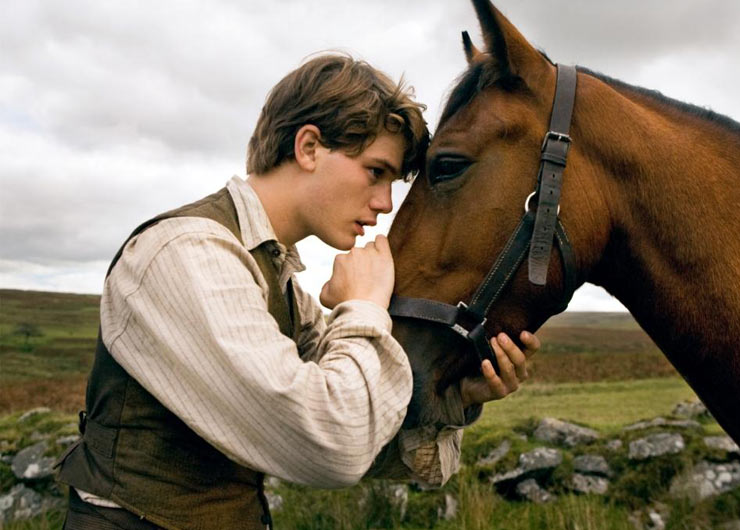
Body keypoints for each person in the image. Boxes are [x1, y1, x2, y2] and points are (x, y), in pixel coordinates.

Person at [56, 54, 540, 530]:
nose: (384, 203)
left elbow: (362, 431)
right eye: (376, 171)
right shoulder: (185, 253)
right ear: (308, 147)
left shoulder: (278, 279)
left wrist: (451, 398)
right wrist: (364, 307)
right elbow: (333, 445)